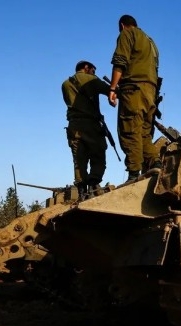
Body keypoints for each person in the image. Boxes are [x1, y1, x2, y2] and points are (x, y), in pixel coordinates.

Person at [107, 14, 161, 182]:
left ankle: (133, 175)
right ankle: (155, 163)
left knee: (130, 130)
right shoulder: (151, 42)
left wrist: (112, 88)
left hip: (133, 90)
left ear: (122, 25)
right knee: (144, 133)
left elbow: (120, 62)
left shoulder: (127, 33)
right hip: (150, 92)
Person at [61, 60, 111, 198]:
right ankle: (93, 185)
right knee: (98, 156)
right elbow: (110, 90)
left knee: (79, 160)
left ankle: (82, 191)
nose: (94, 74)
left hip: (73, 126)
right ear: (86, 67)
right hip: (91, 125)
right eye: (93, 70)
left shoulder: (65, 84)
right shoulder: (91, 80)